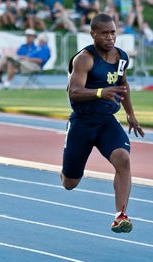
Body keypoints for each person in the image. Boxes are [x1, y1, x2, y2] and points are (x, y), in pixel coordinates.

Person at [60, 13, 145, 234]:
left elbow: (123, 86)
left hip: (107, 121)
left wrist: (130, 115)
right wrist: (100, 92)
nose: (109, 37)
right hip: (82, 122)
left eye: (113, 32)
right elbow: (74, 92)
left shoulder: (122, 58)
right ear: (93, 34)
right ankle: (67, 165)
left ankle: (121, 216)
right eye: (104, 33)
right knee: (70, 183)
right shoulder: (84, 58)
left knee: (123, 158)